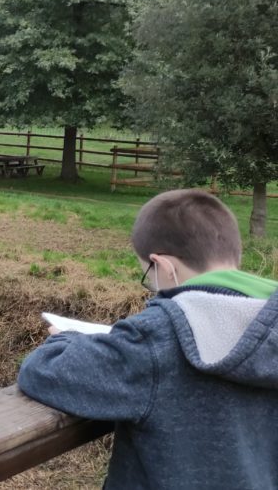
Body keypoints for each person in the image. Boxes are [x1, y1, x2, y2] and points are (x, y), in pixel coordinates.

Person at [18, 189, 278, 489]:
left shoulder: (158, 337)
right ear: (234, 253)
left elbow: (43, 371)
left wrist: (67, 339)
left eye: (148, 277)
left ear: (164, 266)